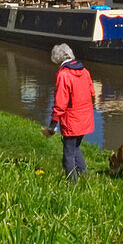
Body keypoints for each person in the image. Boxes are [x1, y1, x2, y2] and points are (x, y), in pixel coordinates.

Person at [42, 43, 95, 181]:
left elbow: (60, 103)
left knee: (68, 153)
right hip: (86, 117)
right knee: (75, 146)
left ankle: (72, 184)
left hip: (72, 119)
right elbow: (92, 92)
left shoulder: (63, 75)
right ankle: (85, 176)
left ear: (57, 59)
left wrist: (52, 126)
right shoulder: (85, 71)